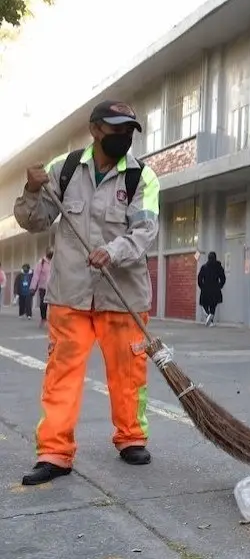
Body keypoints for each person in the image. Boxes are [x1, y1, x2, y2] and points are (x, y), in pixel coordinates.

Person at [13, 100, 160, 486]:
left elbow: (145, 231)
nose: (124, 138)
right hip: (70, 295)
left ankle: (131, 438)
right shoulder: (63, 169)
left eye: (130, 131)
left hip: (123, 295)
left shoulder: (142, 178)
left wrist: (113, 252)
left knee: (129, 374)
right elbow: (35, 220)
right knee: (61, 376)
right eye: (116, 130)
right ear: (95, 130)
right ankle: (54, 453)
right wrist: (30, 189)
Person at [197, 251, 226, 326]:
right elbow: (223, 278)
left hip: (206, 289)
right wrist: (219, 286)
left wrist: (202, 287)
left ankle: (209, 317)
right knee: (213, 305)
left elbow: (199, 278)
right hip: (215, 289)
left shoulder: (204, 267)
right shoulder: (219, 267)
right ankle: (211, 318)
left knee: (204, 304)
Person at [31, 248, 54, 327]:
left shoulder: (55, 262)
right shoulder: (41, 262)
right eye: (50, 251)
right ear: (47, 252)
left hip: (53, 287)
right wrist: (33, 287)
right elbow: (36, 275)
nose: (51, 253)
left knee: (53, 304)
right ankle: (43, 318)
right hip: (43, 287)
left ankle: (52, 321)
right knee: (43, 304)